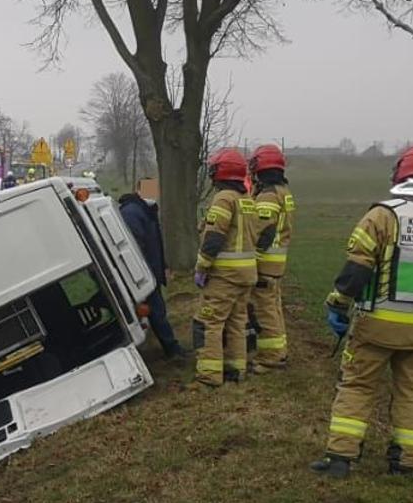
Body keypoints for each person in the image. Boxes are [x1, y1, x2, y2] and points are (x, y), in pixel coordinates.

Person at [311, 145, 413, 478]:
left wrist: (337, 303)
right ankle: (405, 462)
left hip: (379, 323)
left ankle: (340, 457)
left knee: (357, 386)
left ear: (400, 174)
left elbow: (356, 270)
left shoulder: (383, 215)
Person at [192, 148, 258, 388]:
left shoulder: (223, 198)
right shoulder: (246, 199)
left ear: (221, 172)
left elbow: (214, 237)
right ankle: (235, 370)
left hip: (225, 275)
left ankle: (208, 377)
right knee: (237, 322)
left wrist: (202, 267)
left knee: (208, 321)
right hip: (246, 274)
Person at [118, 191, 182, 358]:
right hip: (145, 273)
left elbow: (153, 244)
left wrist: (163, 266)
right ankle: (172, 349)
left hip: (148, 271)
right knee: (157, 311)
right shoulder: (135, 213)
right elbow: (138, 246)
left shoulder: (136, 212)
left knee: (156, 311)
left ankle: (169, 347)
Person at [247, 144, 295, 370]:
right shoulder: (283, 192)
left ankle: (271, 357)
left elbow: (262, 231)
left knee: (264, 310)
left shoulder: (268, 196)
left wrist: (250, 258)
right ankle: (280, 350)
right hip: (276, 264)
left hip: (264, 264)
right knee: (273, 307)